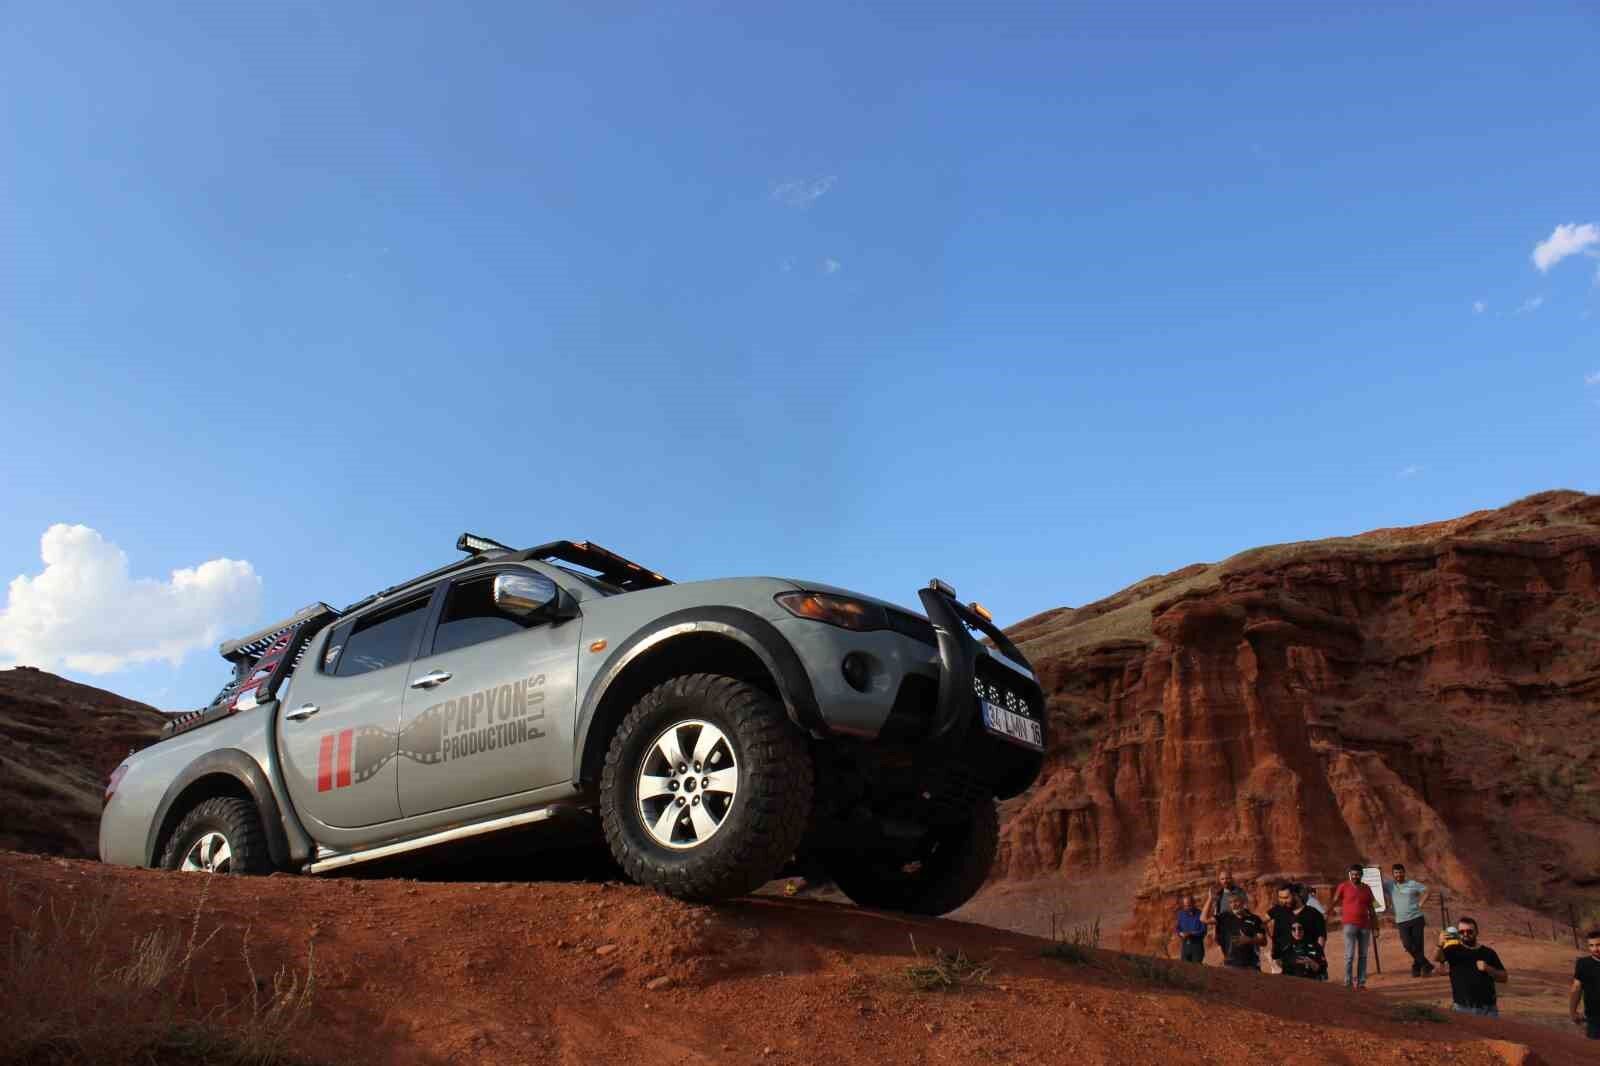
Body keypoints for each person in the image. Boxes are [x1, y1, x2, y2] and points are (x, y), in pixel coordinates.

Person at [1433, 915, 1507, 1017]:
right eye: (1461, 932)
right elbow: (1437, 959)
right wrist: (1440, 945)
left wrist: (1488, 969)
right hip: (1462, 1009)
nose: (1465, 934)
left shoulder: (1488, 953)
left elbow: (1504, 977)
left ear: (1477, 932)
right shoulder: (1452, 950)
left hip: (1488, 1010)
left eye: (1470, 931)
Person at [1330, 863, 1379, 989]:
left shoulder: (1367, 888)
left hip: (1365, 926)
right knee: (1349, 955)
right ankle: (1348, 982)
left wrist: (1376, 927)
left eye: (1357, 874)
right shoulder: (1343, 886)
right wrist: (1326, 913)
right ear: (1350, 875)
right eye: (1353, 874)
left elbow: (1372, 909)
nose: (1355, 876)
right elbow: (1335, 900)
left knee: (1363, 955)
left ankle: (1361, 983)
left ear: (1361, 875)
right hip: (1349, 925)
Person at [1384, 863, 1434, 977]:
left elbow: (1427, 890)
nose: (1398, 875)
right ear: (1393, 874)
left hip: (1416, 918)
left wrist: (1421, 903)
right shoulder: (1389, 885)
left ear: (1404, 873)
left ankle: (1417, 969)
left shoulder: (1412, 884)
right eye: (1396, 873)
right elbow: (1376, 886)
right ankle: (1426, 964)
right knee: (1407, 944)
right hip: (1401, 921)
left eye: (1400, 872)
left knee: (1418, 945)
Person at [1201, 868, 1249, 956]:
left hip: (1238, 927)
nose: (1225, 881)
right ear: (1219, 880)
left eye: (1227, 878)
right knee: (1227, 954)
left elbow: (1246, 908)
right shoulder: (1219, 894)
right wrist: (1215, 930)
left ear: (1232, 878)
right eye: (1222, 879)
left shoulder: (1239, 892)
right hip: (1223, 928)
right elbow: (1216, 911)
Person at [1215, 893, 1268, 972]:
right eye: (1231, 902)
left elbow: (1264, 941)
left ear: (1243, 902)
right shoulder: (1225, 918)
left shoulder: (1255, 919)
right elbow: (1203, 919)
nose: (1234, 905)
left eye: (1236, 901)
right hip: (1231, 964)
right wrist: (1210, 899)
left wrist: (1249, 940)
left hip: (1251, 965)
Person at [1569, 928, 1600, 1040]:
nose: (1595, 949)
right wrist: (1573, 1012)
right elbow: (1576, 988)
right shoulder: (1583, 964)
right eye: (1591, 945)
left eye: (1598, 945)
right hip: (1594, 1018)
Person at [1266, 883, 1302, 975]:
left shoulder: (1302, 911)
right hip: (1279, 953)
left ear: (1294, 895)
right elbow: (1262, 921)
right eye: (1280, 898)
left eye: (1286, 898)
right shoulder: (1277, 909)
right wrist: (1270, 938)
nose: (1283, 901)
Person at [1175, 892, 1208, 964]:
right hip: (1185, 946)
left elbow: (1203, 931)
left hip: (1197, 946)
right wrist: (1181, 933)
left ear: (1194, 903)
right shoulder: (1181, 914)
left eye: (1189, 905)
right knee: (1185, 969)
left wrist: (1191, 933)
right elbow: (1177, 928)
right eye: (1185, 906)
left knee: (1197, 970)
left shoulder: (1200, 914)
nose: (1187, 908)